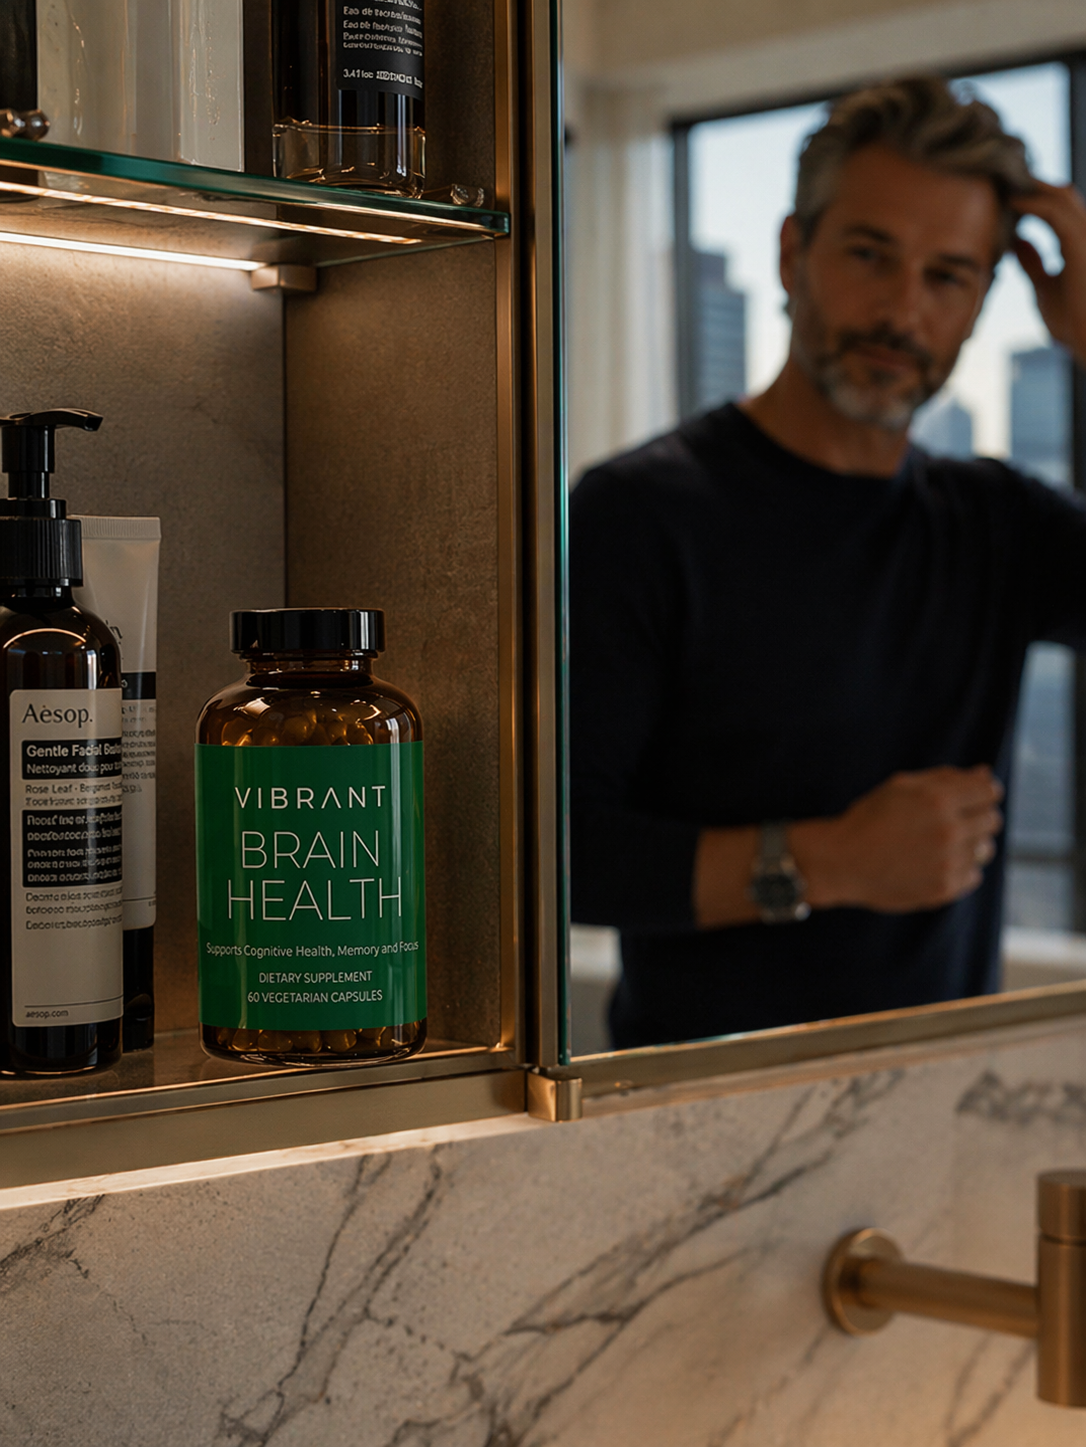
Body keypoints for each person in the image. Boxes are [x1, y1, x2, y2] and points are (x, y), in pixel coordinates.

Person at [569, 75, 1086, 1050]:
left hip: (936, 1108)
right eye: (869, 254)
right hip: (694, 1107)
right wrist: (829, 861)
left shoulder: (1000, 523)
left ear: (984, 301)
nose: (902, 312)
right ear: (791, 252)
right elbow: (560, 855)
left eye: (949, 276)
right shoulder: (636, 512)